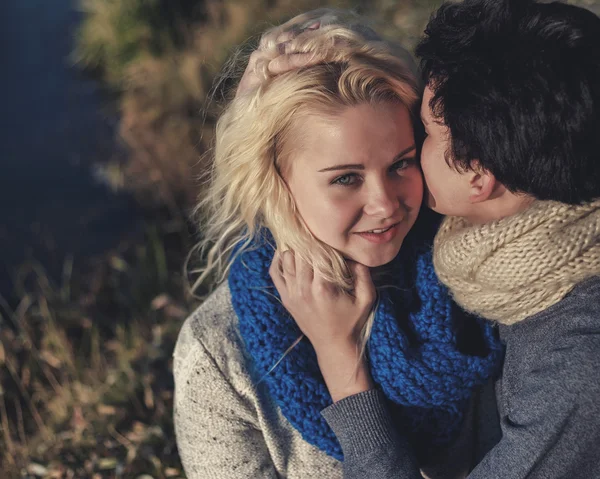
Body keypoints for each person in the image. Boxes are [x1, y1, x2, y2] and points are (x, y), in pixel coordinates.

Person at [264, 1, 600, 478]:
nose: (386, 204)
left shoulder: (577, 362)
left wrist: (341, 361)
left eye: (420, 138)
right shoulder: (524, 227)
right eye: (347, 178)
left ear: (478, 174)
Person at [172, 9, 503, 479]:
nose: (385, 203)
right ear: (273, 180)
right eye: (346, 178)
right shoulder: (220, 355)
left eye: (401, 164)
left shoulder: (481, 275)